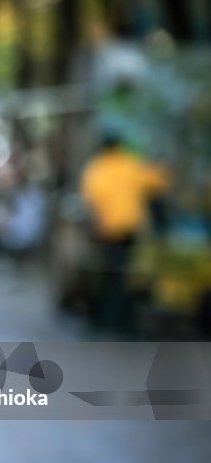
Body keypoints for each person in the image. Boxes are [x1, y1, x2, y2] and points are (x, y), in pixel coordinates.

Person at [80, 135, 168, 329]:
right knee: (122, 273)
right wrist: (159, 166)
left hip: (107, 230)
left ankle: (102, 317)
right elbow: (157, 182)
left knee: (106, 273)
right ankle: (117, 317)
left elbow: (91, 198)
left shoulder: (98, 167)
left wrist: (99, 222)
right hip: (129, 228)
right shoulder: (131, 164)